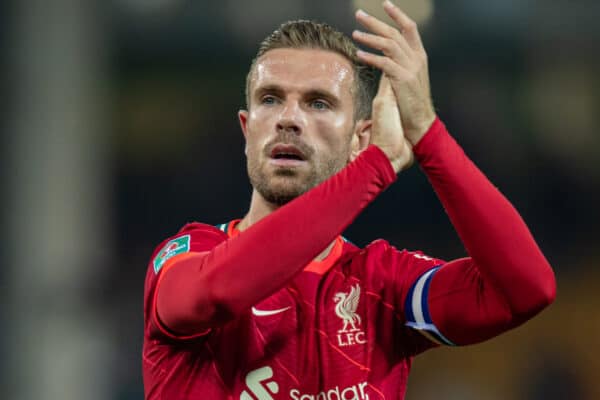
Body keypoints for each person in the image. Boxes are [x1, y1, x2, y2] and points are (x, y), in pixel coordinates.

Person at [142, 2, 556, 399]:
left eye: (318, 103)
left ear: (360, 139)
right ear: (247, 131)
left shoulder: (381, 286)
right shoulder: (189, 257)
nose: (288, 118)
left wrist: (428, 135)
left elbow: (526, 290)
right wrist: (378, 166)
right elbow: (216, 293)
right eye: (270, 99)